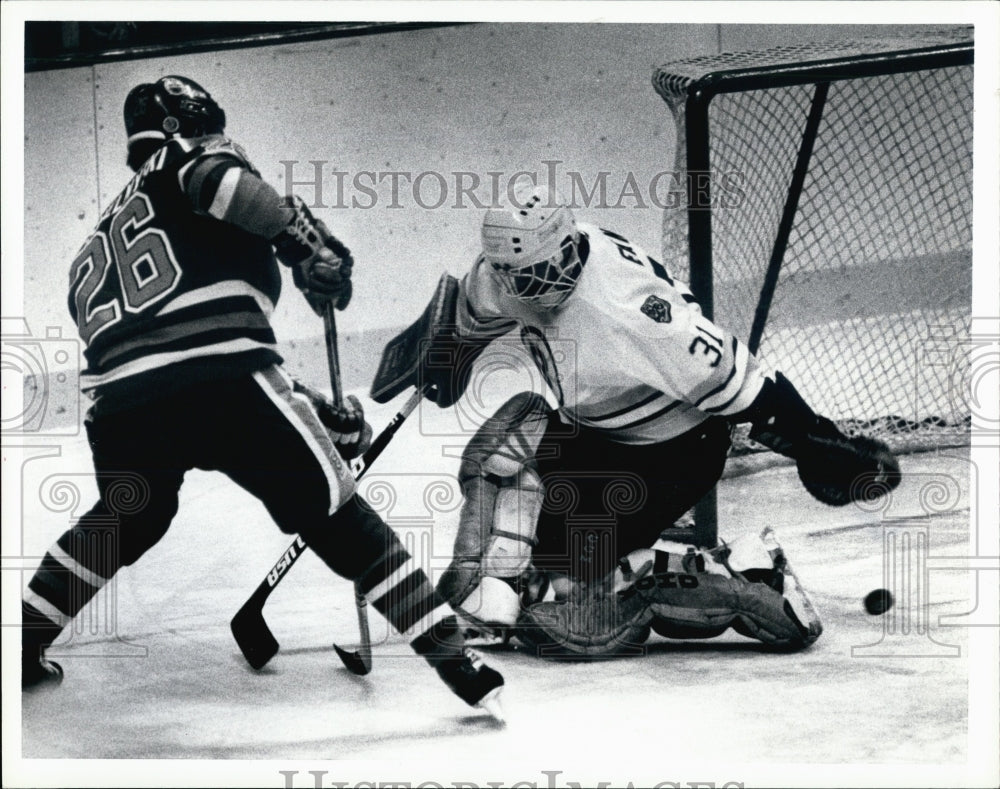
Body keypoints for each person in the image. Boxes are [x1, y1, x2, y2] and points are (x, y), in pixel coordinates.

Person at [21, 76, 504, 717]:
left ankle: (22, 642)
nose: (220, 141)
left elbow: (164, 352)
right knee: (337, 515)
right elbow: (218, 186)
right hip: (226, 387)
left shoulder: (97, 238)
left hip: (124, 408)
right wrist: (303, 244)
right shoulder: (182, 163)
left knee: (126, 518)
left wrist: (300, 403)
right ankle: (454, 659)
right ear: (178, 127)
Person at [408, 183, 899, 657]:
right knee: (510, 442)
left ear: (568, 241)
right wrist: (446, 353)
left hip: (671, 457)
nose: (538, 288)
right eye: (522, 278)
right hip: (597, 434)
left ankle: (752, 577)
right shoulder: (508, 272)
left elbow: (745, 384)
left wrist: (817, 443)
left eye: (547, 270)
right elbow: (468, 308)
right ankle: (501, 590)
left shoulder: (632, 311)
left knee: (591, 590)